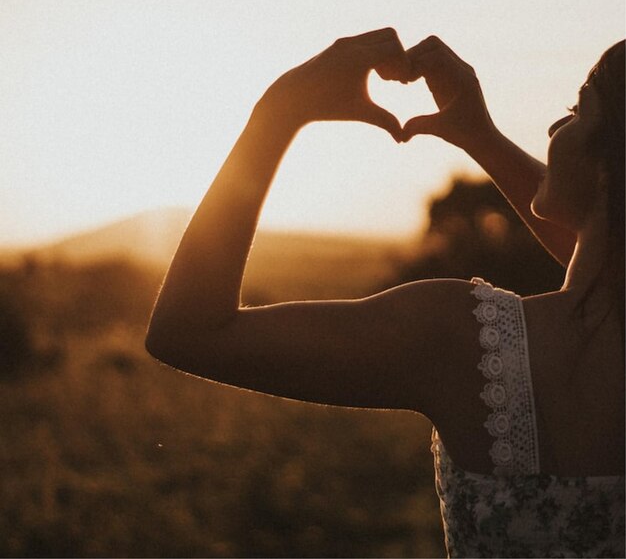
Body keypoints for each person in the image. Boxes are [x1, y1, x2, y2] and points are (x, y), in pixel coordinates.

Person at [145, 29, 625, 557]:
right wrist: (478, 134)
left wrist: (279, 109)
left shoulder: (462, 341)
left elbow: (187, 331)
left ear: (611, 167)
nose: (557, 126)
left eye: (578, 111)